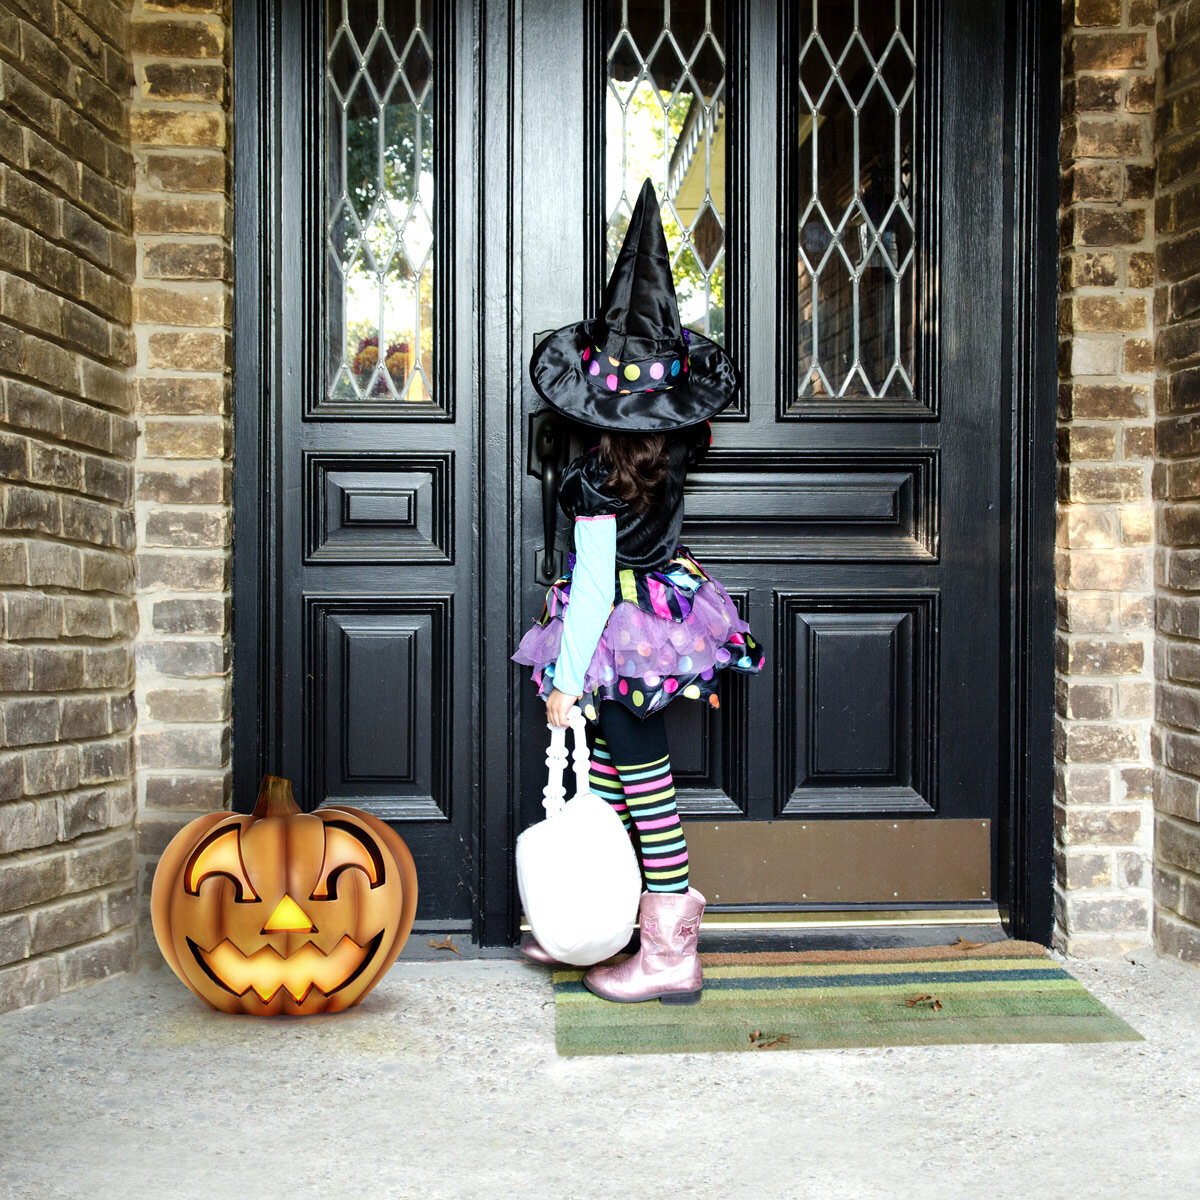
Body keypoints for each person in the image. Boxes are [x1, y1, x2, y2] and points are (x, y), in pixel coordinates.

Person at [511, 179, 765, 1005]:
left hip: (619, 637)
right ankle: (609, 923)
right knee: (622, 777)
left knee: (645, 787)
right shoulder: (675, 453)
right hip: (663, 619)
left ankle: (668, 953)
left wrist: (564, 681)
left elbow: (589, 590)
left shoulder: (592, 479)